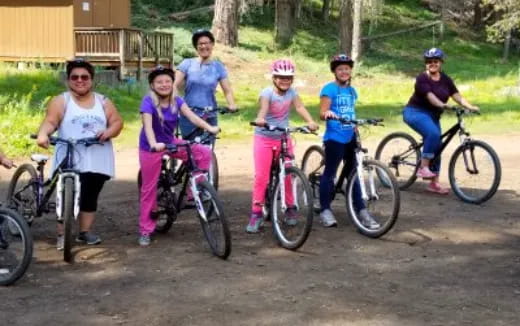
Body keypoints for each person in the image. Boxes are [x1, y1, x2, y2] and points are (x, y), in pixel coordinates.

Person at [36, 59, 123, 250]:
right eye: (75, 77)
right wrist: (44, 134)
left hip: (97, 155)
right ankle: (62, 234)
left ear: (92, 80)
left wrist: (108, 132)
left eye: (84, 77)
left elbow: (116, 122)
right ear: (68, 80)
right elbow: (50, 121)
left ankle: (84, 232)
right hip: (69, 155)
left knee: (91, 193)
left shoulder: (103, 101)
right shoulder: (62, 100)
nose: (80, 80)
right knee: (66, 193)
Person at [138, 66, 219, 246]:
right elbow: (148, 127)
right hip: (151, 147)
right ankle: (145, 230)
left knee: (203, 152)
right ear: (152, 85)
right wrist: (153, 144)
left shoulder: (177, 100)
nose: (164, 84)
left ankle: (194, 191)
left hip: (171, 142)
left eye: (167, 81)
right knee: (149, 189)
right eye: (159, 82)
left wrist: (210, 127)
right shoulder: (148, 102)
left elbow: (192, 117)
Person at [246, 59, 318, 233]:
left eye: (288, 78)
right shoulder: (267, 93)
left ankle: (290, 207)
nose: (285, 81)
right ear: (274, 78)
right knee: (262, 177)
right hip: (264, 138)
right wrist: (261, 119)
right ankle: (256, 213)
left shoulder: (292, 93)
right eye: (280, 77)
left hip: (283, 137)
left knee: (288, 172)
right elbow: (263, 108)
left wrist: (309, 121)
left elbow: (299, 107)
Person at [403, 48, 479, 194]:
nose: (433, 64)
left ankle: (434, 184)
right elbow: (430, 96)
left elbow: (456, 95)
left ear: (441, 63)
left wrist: (470, 106)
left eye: (435, 61)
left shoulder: (446, 79)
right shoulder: (422, 78)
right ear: (426, 64)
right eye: (429, 62)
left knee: (437, 145)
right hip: (415, 112)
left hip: (433, 115)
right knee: (433, 134)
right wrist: (442, 104)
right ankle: (423, 167)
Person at [318, 54, 379, 229]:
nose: (344, 71)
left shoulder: (352, 91)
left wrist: (356, 125)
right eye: (340, 69)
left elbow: (350, 110)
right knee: (330, 172)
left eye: (346, 68)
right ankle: (325, 210)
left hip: (350, 136)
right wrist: (328, 114)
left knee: (355, 173)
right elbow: (322, 112)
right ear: (334, 72)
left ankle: (361, 211)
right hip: (335, 137)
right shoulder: (329, 89)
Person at [173, 29, 237, 139]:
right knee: (192, 150)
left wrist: (232, 104)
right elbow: (173, 86)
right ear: (196, 47)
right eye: (200, 44)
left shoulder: (218, 66)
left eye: (207, 43)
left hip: (210, 115)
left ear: (212, 45)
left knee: (207, 152)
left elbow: (227, 90)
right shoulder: (187, 63)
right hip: (189, 114)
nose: (204, 46)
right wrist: (176, 103)